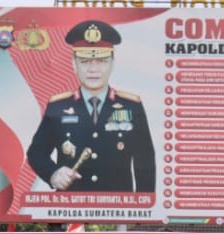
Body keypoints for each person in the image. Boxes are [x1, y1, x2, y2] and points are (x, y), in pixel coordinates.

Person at [25, 20, 156, 193]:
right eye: (85, 61)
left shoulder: (131, 106)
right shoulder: (58, 106)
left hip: (118, 206)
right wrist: (52, 174)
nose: (93, 69)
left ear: (112, 63)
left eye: (101, 61)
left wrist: (143, 205)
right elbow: (36, 153)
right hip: (70, 206)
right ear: (74, 64)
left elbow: (145, 162)